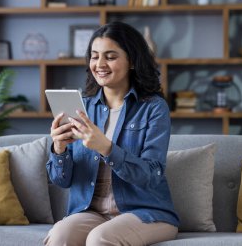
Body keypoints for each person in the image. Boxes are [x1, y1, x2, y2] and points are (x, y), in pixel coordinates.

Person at [44, 21, 179, 246]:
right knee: (60, 236)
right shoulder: (82, 108)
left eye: (110, 56)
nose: (100, 64)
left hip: (145, 212)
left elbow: (151, 175)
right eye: (95, 56)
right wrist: (59, 149)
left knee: (100, 238)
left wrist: (105, 147)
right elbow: (61, 181)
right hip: (92, 212)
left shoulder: (153, 108)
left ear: (132, 61)